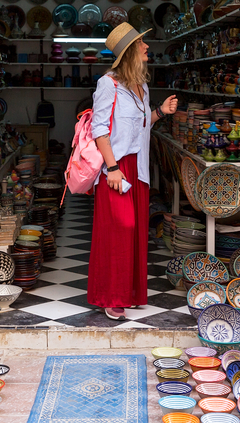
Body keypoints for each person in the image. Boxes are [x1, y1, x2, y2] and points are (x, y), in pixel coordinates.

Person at [89, 23, 178, 321]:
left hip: (137, 168)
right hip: (117, 167)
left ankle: (131, 294)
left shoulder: (142, 87)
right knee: (120, 229)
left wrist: (160, 112)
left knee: (136, 232)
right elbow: (99, 130)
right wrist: (112, 168)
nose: (147, 47)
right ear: (129, 52)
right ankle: (111, 296)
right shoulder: (108, 84)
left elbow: (141, 125)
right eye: (141, 43)